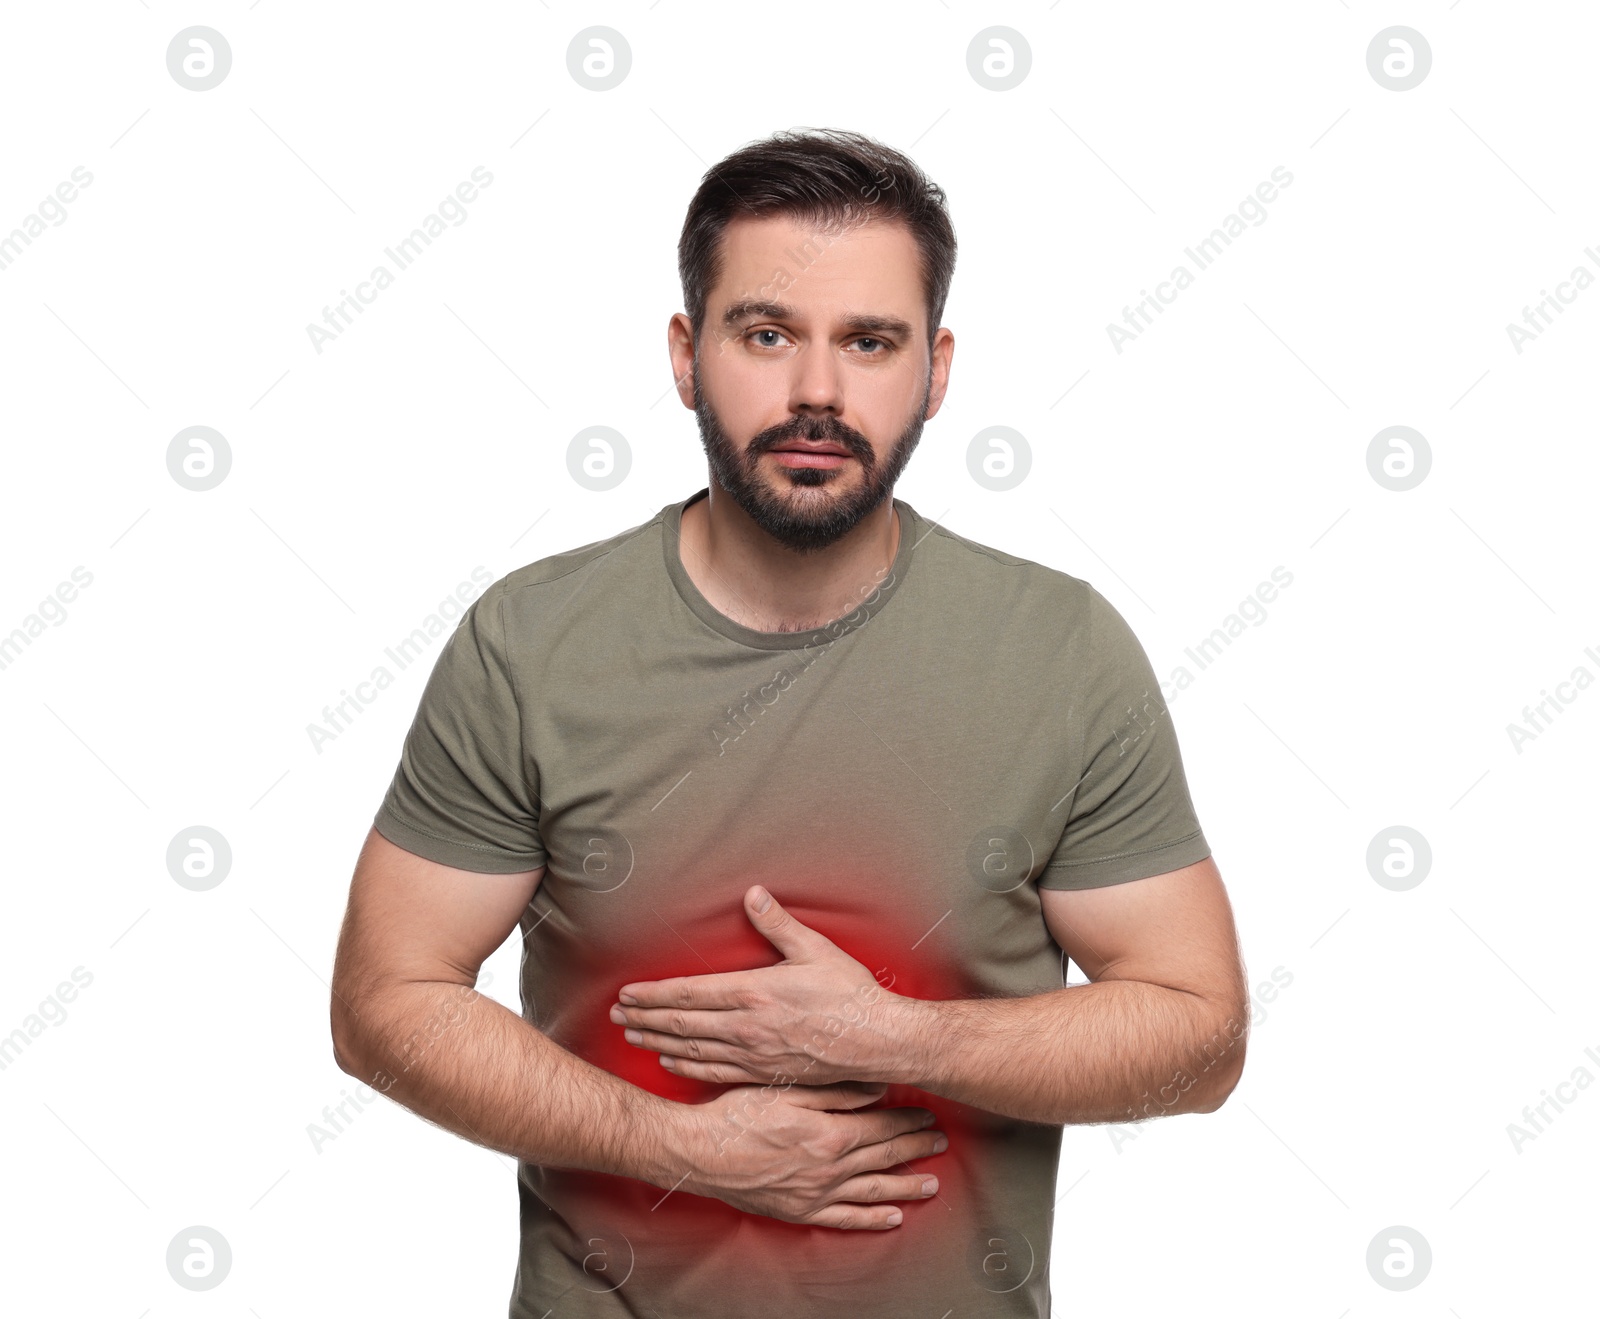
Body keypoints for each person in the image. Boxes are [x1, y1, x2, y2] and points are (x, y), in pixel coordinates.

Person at [330, 127, 1248, 1319]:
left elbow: (1197, 1032)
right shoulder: (531, 643)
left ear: (936, 369)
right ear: (685, 354)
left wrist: (895, 1037)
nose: (817, 390)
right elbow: (384, 1002)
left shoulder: (1059, 651)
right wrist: (682, 1145)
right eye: (767, 334)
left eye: (870, 342)